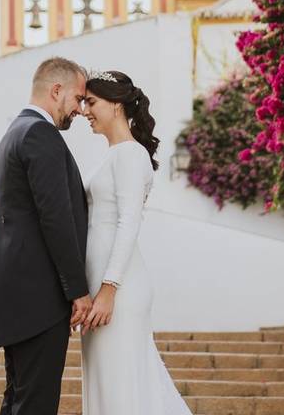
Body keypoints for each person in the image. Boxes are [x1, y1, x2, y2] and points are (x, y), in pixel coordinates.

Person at [0, 56, 93, 415]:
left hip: (17, 296)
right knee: (36, 404)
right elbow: (55, 219)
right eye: (77, 99)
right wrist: (78, 290)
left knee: (19, 401)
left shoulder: (15, 131)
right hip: (40, 300)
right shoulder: (40, 134)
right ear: (56, 90)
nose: (80, 109)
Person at [78, 69, 192, 414]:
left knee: (121, 384)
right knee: (107, 383)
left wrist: (109, 290)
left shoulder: (130, 154)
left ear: (116, 106)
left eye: (92, 102)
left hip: (119, 291)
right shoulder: (113, 155)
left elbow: (129, 223)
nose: (84, 111)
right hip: (102, 288)